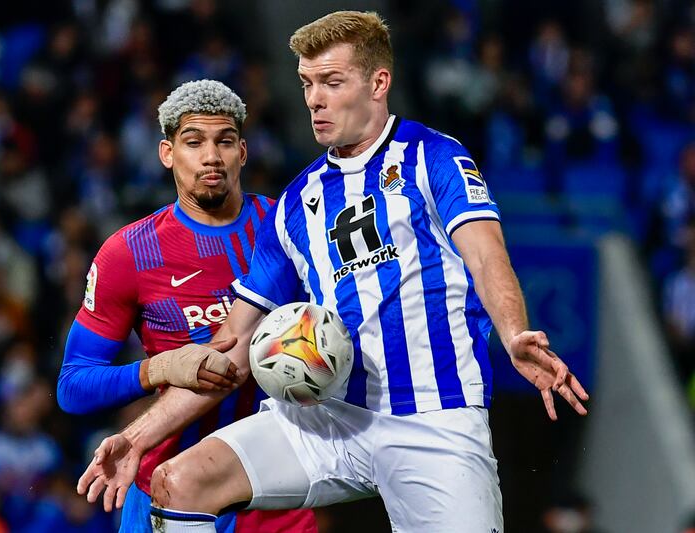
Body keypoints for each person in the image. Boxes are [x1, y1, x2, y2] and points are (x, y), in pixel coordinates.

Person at [78, 12, 590, 532]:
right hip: (330, 418)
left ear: (378, 83)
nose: (313, 99)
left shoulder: (432, 157)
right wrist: (138, 437)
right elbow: (231, 346)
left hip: (435, 420)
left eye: (331, 82)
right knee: (180, 481)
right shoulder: (297, 202)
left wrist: (514, 332)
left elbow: (485, 254)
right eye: (306, 83)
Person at [57, 79, 316, 533]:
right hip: (164, 482)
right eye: (193, 142)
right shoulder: (130, 253)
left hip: (274, 491)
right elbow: (73, 386)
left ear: (243, 152)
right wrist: (159, 368)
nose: (211, 156)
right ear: (166, 153)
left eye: (225, 141)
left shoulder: (290, 230)